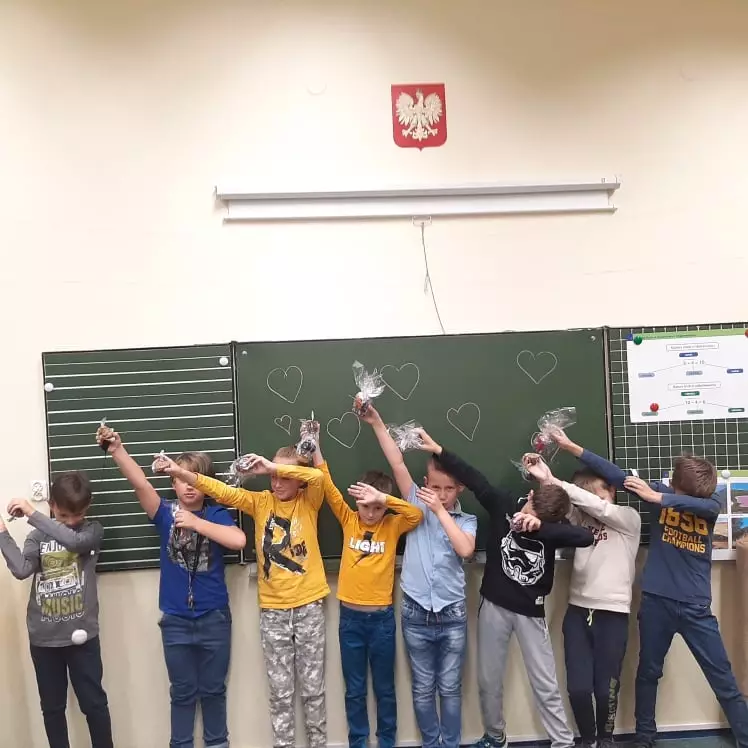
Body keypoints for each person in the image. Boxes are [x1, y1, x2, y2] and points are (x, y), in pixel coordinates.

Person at [551, 427, 748, 748]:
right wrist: (572, 447)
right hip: (657, 603)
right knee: (648, 673)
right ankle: (645, 738)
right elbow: (616, 475)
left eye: (672, 485)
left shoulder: (708, 503)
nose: (666, 485)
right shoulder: (658, 493)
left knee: (721, 677)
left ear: (680, 488)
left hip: (696, 607)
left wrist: (660, 498)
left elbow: (710, 508)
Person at [415, 434, 592, 748]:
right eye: (530, 511)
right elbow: (473, 478)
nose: (528, 518)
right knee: (488, 680)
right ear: (528, 496)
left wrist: (542, 527)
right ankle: (495, 737)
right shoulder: (504, 504)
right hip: (494, 604)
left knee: (545, 683)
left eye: (538, 519)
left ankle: (563, 742)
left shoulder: (551, 526)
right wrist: (441, 450)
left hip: (530, 612)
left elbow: (585, 537)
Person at [154, 446, 329, 748]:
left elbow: (319, 478)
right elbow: (219, 490)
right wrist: (179, 472)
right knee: (280, 693)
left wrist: (271, 468)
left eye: (284, 476)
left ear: (297, 479)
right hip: (273, 609)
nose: (276, 483)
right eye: (273, 477)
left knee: (313, 690)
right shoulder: (260, 501)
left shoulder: (309, 500)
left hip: (308, 604)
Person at [97, 426, 245, 748]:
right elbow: (140, 484)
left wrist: (197, 523)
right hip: (176, 619)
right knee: (182, 693)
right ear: (172, 483)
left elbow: (238, 541)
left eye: (194, 479)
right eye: (181, 479)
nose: (188, 486)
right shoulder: (165, 513)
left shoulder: (216, 514)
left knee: (213, 692)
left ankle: (217, 743)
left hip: (214, 618)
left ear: (205, 484)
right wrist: (117, 449)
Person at [360, 404, 477, 748]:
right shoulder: (412, 501)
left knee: (450, 687)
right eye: (435, 487)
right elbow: (397, 462)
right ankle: (431, 743)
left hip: (452, 613)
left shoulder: (466, 520)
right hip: (416, 612)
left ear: (460, 489)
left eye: (448, 489)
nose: (440, 495)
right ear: (425, 483)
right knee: (423, 687)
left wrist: (440, 512)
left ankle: (450, 743)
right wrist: (376, 423)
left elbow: (465, 550)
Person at [312, 432, 423, 748]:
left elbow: (416, 514)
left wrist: (384, 499)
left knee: (385, 689)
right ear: (357, 503)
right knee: (355, 689)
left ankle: (387, 740)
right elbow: (328, 487)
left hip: (381, 621)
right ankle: (358, 741)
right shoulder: (349, 519)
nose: (370, 514)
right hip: (350, 620)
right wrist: (316, 450)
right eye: (365, 506)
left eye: (376, 508)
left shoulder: (392, 524)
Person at [524, 452, 641, 748]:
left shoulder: (628, 518)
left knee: (605, 690)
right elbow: (569, 506)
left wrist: (554, 480)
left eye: (596, 494)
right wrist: (545, 481)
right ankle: (588, 740)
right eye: (584, 497)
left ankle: (605, 739)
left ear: (612, 491)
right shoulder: (579, 520)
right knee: (577, 689)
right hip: (577, 613)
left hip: (612, 615)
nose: (589, 503)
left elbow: (597, 506)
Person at [0, 472, 114, 748]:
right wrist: (2, 534)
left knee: (94, 704)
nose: (72, 521)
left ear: (87, 507)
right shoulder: (37, 536)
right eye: (63, 515)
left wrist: (31, 512)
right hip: (44, 639)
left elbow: (74, 543)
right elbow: (21, 569)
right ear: (52, 505)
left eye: (78, 514)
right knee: (52, 708)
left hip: (83, 639)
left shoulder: (92, 531)